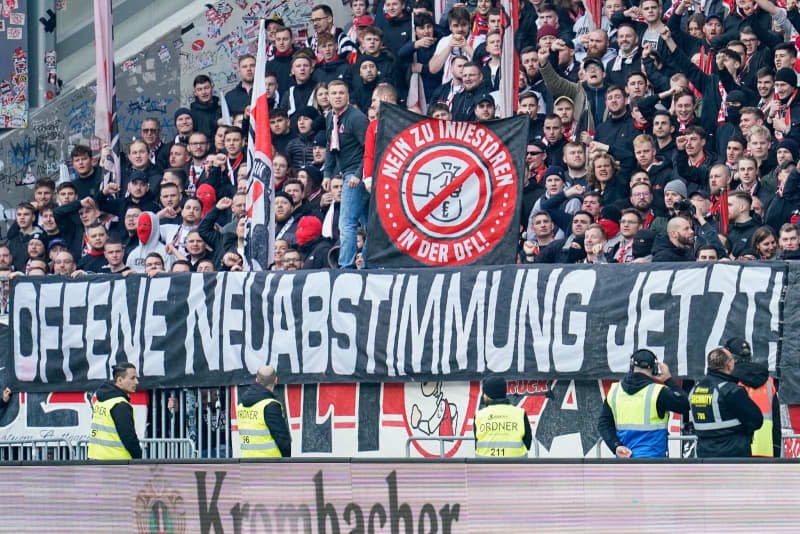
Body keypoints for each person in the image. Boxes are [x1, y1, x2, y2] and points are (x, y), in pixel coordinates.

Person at [598, 349, 689, 458]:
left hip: (624, 463)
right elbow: (685, 405)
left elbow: (604, 424)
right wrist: (668, 379)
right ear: (654, 369)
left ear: (631, 367)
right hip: (653, 462)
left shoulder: (614, 391)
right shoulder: (659, 392)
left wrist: (616, 446)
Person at [689, 347, 764, 458]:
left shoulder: (695, 389)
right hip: (733, 456)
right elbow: (756, 420)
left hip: (704, 455)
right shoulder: (732, 390)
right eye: (732, 359)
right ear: (729, 365)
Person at [727, 337, 781, 458]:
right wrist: (777, 451)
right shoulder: (769, 382)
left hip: (736, 450)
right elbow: (777, 422)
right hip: (765, 450)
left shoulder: (729, 381)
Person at [88, 363, 143, 460]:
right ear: (120, 380)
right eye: (132, 378)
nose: (136, 382)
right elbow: (129, 438)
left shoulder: (101, 399)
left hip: (95, 457)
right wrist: (138, 458)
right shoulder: (120, 404)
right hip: (117, 462)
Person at [237, 365, 291, 457]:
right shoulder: (271, 405)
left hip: (247, 461)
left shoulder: (241, 405)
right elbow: (282, 439)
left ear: (256, 380)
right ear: (276, 380)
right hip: (270, 464)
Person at [473, 376, 531, 457]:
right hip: (516, 466)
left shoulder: (479, 416)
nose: (483, 396)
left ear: (489, 394)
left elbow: (477, 443)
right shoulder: (520, 413)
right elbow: (528, 443)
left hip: (485, 466)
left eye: (484, 393)